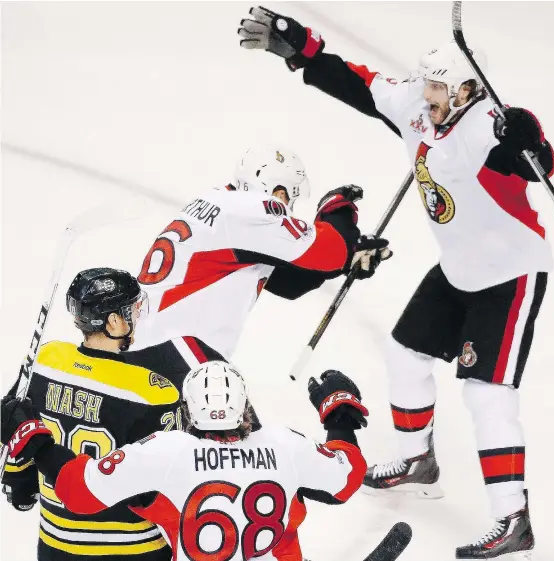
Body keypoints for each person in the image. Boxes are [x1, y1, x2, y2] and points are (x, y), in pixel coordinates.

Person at [238, 7, 554, 559]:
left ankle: (513, 518)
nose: (427, 94)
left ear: (465, 91)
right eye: (427, 82)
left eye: (439, 87)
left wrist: (531, 138)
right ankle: (418, 459)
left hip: (511, 273)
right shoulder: (416, 104)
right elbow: (361, 86)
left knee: (486, 394)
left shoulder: (488, 129)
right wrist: (302, 50)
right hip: (458, 270)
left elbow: (534, 162)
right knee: (405, 353)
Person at [1, 362, 369, 561]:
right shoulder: (285, 444)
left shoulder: (166, 450)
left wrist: (35, 440)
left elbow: (78, 492)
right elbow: (346, 480)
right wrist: (340, 418)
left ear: (188, 411)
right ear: (245, 408)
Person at [125, 145, 391, 390]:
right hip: (176, 362)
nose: (288, 206)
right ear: (278, 191)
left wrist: (346, 263)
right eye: (290, 196)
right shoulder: (256, 210)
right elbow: (332, 250)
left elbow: (288, 284)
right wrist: (336, 210)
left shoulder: (221, 203)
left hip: (147, 350)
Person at [2, 268, 181, 561]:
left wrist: (21, 489)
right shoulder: (152, 391)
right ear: (113, 320)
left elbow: (13, 430)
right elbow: (171, 484)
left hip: (54, 546)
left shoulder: (45, 360)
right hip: (132, 550)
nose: (136, 317)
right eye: (132, 310)